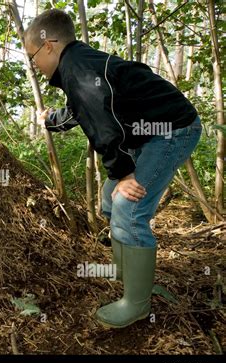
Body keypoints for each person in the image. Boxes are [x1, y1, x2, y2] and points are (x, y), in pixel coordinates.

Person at [24, 9, 202, 328]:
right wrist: (51, 120)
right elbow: (85, 107)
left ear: (48, 45)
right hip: (150, 131)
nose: (34, 64)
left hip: (171, 130)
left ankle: (136, 303)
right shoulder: (78, 65)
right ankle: (127, 269)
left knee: (128, 206)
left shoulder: (77, 68)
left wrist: (124, 173)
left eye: (32, 55)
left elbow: (104, 126)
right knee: (110, 196)